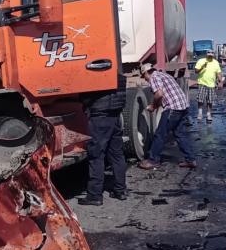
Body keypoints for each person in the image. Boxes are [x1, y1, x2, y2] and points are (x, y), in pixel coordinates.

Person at [78, 75, 127, 206]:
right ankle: (120, 190)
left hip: (100, 117)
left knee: (96, 155)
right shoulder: (119, 77)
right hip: (115, 116)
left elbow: (86, 97)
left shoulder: (95, 76)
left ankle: (94, 195)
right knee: (117, 154)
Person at [137, 63, 196, 170]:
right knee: (179, 134)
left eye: (143, 76)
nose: (145, 79)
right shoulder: (164, 75)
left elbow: (159, 94)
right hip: (183, 106)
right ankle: (190, 159)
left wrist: (153, 106)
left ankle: (153, 160)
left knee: (160, 134)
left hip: (173, 108)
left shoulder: (153, 77)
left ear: (146, 72)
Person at [193, 50, 222, 122]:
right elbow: (196, 71)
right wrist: (203, 66)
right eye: (209, 54)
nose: (210, 55)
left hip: (212, 84)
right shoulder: (201, 61)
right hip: (202, 83)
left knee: (210, 100)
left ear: (213, 55)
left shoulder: (216, 62)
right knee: (200, 99)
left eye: (212, 54)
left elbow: (218, 73)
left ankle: (209, 114)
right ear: (206, 54)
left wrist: (220, 82)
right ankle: (200, 113)